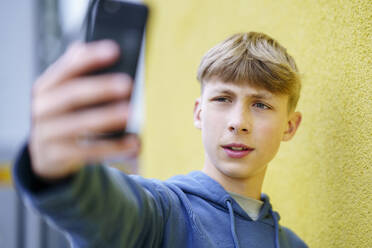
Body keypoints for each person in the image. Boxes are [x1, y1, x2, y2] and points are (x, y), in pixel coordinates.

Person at [13, 32, 308, 248]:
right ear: (199, 114)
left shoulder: (292, 244)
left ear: (290, 126)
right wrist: (58, 172)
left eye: (261, 105)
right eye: (222, 98)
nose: (238, 123)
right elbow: (104, 207)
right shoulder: (161, 213)